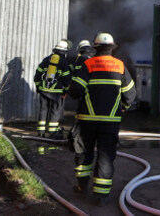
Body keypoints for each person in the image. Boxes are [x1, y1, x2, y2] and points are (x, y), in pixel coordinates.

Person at [68, 32, 137, 206]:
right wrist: (125, 106)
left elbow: (76, 90)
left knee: (84, 152)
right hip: (110, 121)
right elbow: (130, 93)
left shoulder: (88, 64)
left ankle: (81, 187)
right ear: (111, 48)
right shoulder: (120, 66)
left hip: (87, 119)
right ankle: (101, 195)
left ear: (95, 47)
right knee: (106, 155)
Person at [34, 40, 72, 138]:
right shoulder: (64, 62)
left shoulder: (47, 59)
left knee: (43, 109)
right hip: (57, 92)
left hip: (44, 89)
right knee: (55, 111)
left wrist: (38, 86)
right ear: (64, 52)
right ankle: (52, 132)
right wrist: (66, 90)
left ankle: (41, 132)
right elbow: (66, 79)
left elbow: (38, 74)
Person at [68, 40, 97, 162]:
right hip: (88, 91)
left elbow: (72, 74)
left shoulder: (78, 60)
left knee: (82, 110)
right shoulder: (90, 60)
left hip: (79, 89)